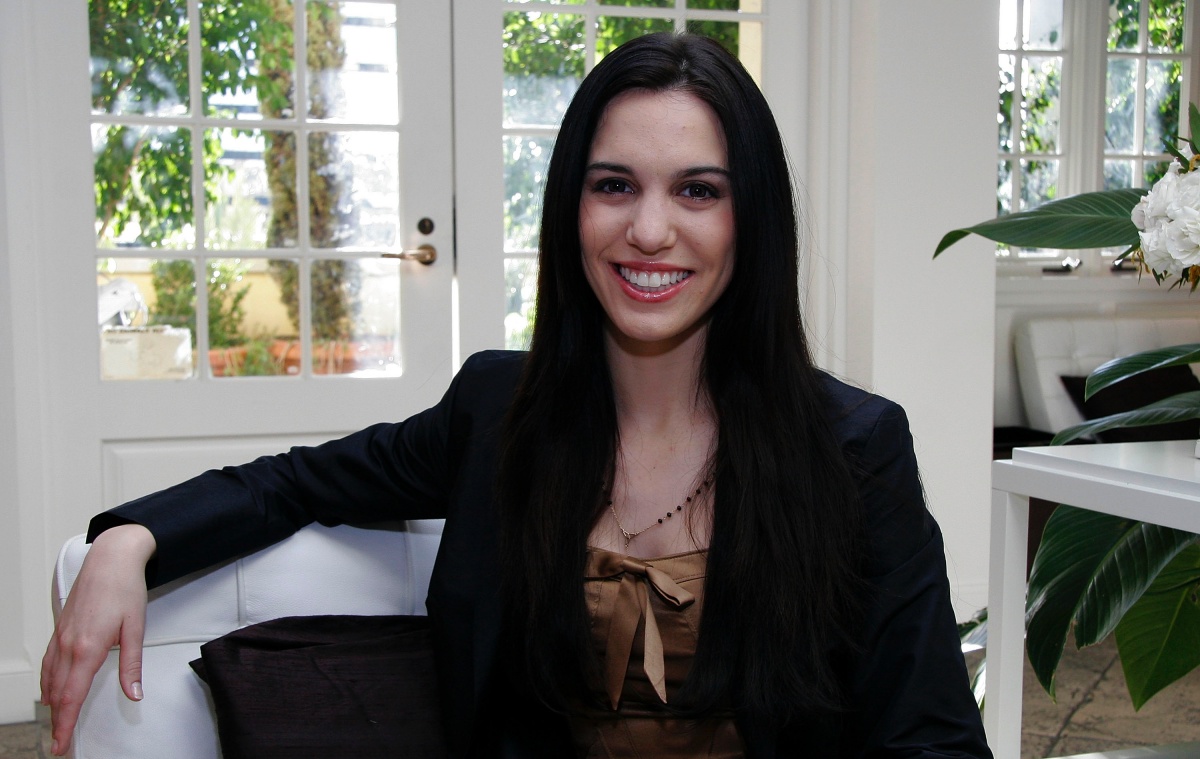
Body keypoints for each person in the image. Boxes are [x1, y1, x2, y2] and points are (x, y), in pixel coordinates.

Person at [41, 33, 992, 758]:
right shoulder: (496, 410)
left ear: (754, 219)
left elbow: (933, 735)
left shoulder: (855, 447)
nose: (648, 229)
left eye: (698, 191)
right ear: (571, 208)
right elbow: (295, 480)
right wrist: (131, 536)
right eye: (613, 184)